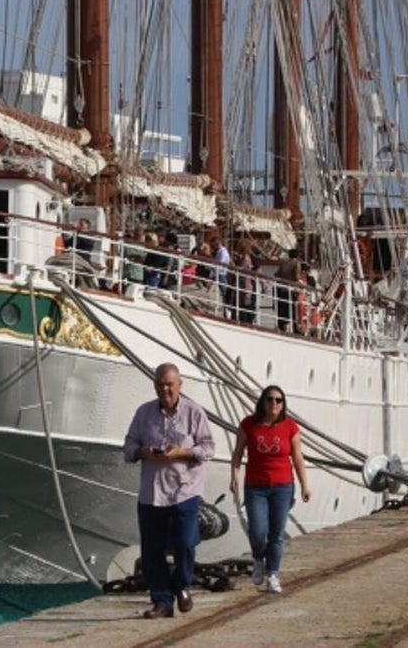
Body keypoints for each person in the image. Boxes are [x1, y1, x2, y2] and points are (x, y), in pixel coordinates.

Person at [123, 363, 215, 618]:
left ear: (179, 385)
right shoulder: (144, 413)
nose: (165, 389)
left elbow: (208, 448)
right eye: (161, 384)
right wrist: (143, 452)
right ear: (154, 385)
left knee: (185, 542)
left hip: (185, 489)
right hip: (152, 492)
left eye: (170, 384)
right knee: (152, 550)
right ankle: (162, 601)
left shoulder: (194, 413)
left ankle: (182, 585)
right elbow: (129, 445)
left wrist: (181, 453)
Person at [229, 385, 311, 595]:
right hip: (256, 486)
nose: (274, 404)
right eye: (269, 399)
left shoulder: (290, 427)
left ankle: (273, 573)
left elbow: (298, 458)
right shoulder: (249, 425)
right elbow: (238, 453)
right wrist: (234, 476)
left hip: (282, 486)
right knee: (257, 531)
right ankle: (258, 558)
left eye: (278, 400)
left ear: (283, 404)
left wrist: (304, 485)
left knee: (276, 534)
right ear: (262, 402)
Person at [275, 249, 301, 333]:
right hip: (292, 289)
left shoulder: (283, 263)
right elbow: (296, 277)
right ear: (297, 256)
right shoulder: (296, 263)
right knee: (293, 310)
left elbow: (277, 274)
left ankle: (282, 326)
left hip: (283, 288)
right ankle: (294, 327)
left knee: (283, 309)